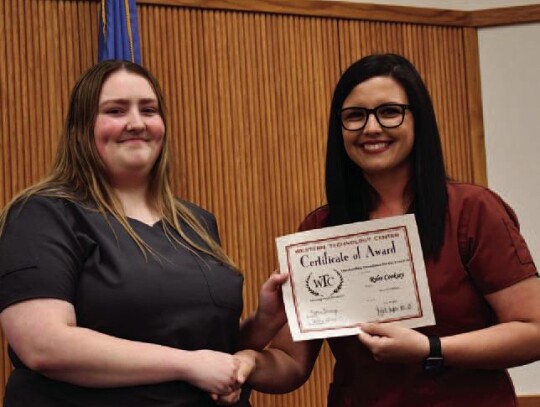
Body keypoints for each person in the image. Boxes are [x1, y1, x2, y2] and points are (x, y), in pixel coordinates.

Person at [228, 53, 540, 407]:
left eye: (389, 112)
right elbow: (290, 362)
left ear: (417, 120)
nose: (371, 128)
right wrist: (249, 361)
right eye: (355, 116)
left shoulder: (472, 210)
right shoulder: (321, 229)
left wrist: (430, 349)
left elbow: (533, 330)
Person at [0, 60, 287, 407]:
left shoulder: (196, 222)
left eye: (148, 110)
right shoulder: (42, 213)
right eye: (116, 110)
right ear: (81, 128)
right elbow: (43, 345)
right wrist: (188, 366)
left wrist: (263, 323)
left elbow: (209, 349)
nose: (136, 123)